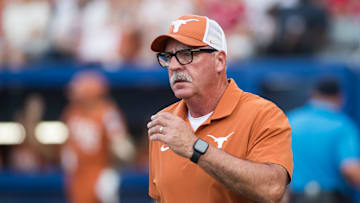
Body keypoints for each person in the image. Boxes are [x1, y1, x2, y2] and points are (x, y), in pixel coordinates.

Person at [146, 14, 293, 203]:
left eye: (186, 54)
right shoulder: (164, 120)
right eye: (168, 57)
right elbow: (160, 197)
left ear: (219, 61)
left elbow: (272, 188)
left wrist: (195, 147)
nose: (174, 66)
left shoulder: (263, 114)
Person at [61, 71, 135, 203]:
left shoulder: (108, 113)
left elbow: (122, 146)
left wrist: (114, 170)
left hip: (99, 172)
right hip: (78, 175)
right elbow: (68, 145)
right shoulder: (72, 112)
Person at [288, 78, 360, 203]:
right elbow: (350, 168)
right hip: (331, 198)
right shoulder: (342, 125)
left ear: (312, 95)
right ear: (341, 97)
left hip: (294, 197)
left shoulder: (289, 121)